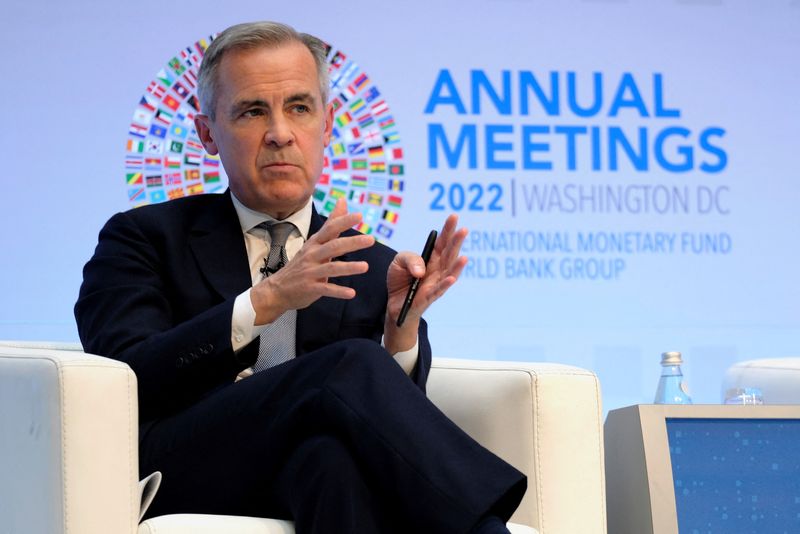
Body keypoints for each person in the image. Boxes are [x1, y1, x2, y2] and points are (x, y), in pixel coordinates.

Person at [75, 21, 526, 534]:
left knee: (331, 461)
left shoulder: (371, 262)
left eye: (299, 108)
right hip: (182, 464)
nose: (280, 133)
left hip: (296, 468)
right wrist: (261, 302)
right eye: (252, 111)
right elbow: (123, 376)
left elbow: (391, 430)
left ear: (328, 124)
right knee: (350, 365)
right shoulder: (143, 238)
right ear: (207, 134)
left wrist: (400, 334)